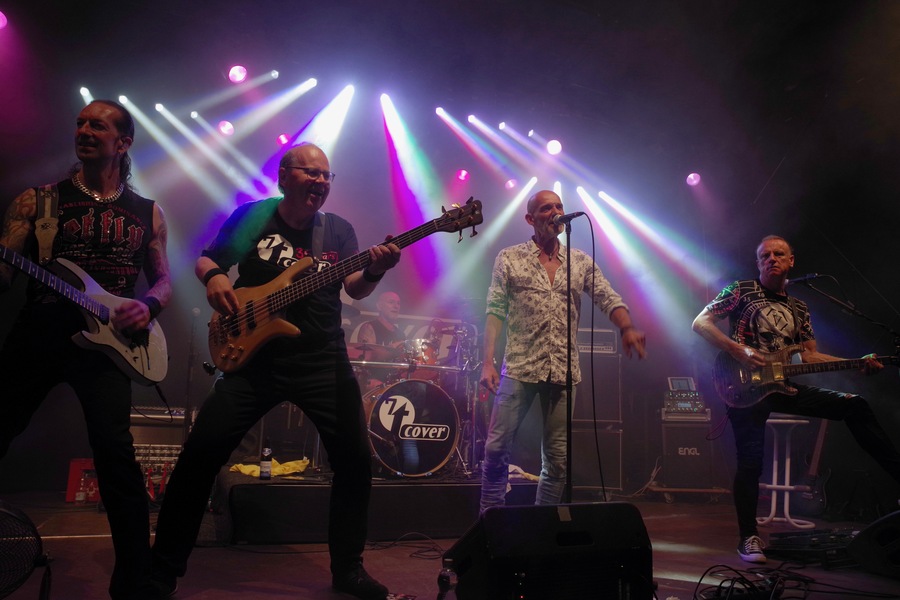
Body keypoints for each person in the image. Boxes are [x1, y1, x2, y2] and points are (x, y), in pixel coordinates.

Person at [151, 142, 400, 600]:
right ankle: (161, 570)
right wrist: (216, 277)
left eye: (326, 176)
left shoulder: (337, 230)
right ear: (284, 176)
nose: (321, 182)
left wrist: (376, 271)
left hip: (322, 360)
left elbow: (356, 290)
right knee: (200, 454)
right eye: (311, 173)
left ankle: (348, 570)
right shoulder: (253, 217)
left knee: (355, 462)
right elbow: (207, 259)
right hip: (254, 361)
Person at [0, 100, 171, 600]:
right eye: (80, 123)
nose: (85, 130)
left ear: (124, 142)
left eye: (98, 125)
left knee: (117, 457)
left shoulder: (147, 211)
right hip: (41, 330)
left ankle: (135, 580)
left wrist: (147, 307)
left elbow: (164, 282)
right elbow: (6, 275)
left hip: (106, 345)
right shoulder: (38, 201)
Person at [692, 234, 900, 564]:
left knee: (854, 404)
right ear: (758, 263)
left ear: (791, 261)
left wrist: (857, 362)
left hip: (782, 386)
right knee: (751, 461)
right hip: (742, 387)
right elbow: (700, 322)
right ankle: (748, 537)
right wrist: (739, 350)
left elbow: (809, 356)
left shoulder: (798, 308)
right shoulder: (740, 290)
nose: (771, 259)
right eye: (764, 256)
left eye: (778, 254)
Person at [478, 190, 646, 512]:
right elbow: (495, 310)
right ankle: (489, 519)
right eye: (546, 208)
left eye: (558, 206)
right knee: (496, 448)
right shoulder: (509, 257)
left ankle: (543, 522)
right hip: (519, 367)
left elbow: (607, 297)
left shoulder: (579, 261)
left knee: (557, 458)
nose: (555, 211)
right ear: (530, 218)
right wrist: (487, 362)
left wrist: (627, 327)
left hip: (564, 370)